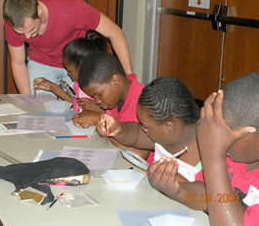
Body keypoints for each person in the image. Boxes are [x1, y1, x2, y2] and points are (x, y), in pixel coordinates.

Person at [3, 0, 133, 94]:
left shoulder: (71, 7)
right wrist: (28, 100)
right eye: (21, 33)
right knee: (38, 113)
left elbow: (114, 32)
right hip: (41, 63)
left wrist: (129, 77)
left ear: (38, 11)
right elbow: (18, 63)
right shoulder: (12, 24)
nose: (27, 36)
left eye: (31, 29)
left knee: (83, 111)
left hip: (77, 64)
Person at [96, 76, 202, 176]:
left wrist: (174, 187)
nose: (143, 129)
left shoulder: (207, 154)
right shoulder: (165, 138)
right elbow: (136, 135)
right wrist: (119, 128)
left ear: (169, 127)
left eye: (146, 127)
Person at [196, 73, 259, 226]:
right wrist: (177, 190)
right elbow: (208, 196)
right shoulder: (234, 160)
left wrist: (213, 157)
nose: (219, 140)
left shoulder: (220, 155)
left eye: (228, 134)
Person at [72, 51, 149, 159]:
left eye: (98, 94)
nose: (97, 101)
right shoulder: (114, 99)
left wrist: (98, 120)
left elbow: (138, 156)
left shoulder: (143, 102)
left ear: (115, 80)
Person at [33, 30, 107, 113]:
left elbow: (114, 117)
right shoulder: (77, 85)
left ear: (83, 67)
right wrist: (52, 87)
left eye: (69, 71)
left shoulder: (103, 89)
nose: (68, 74)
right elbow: (75, 103)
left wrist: (97, 108)